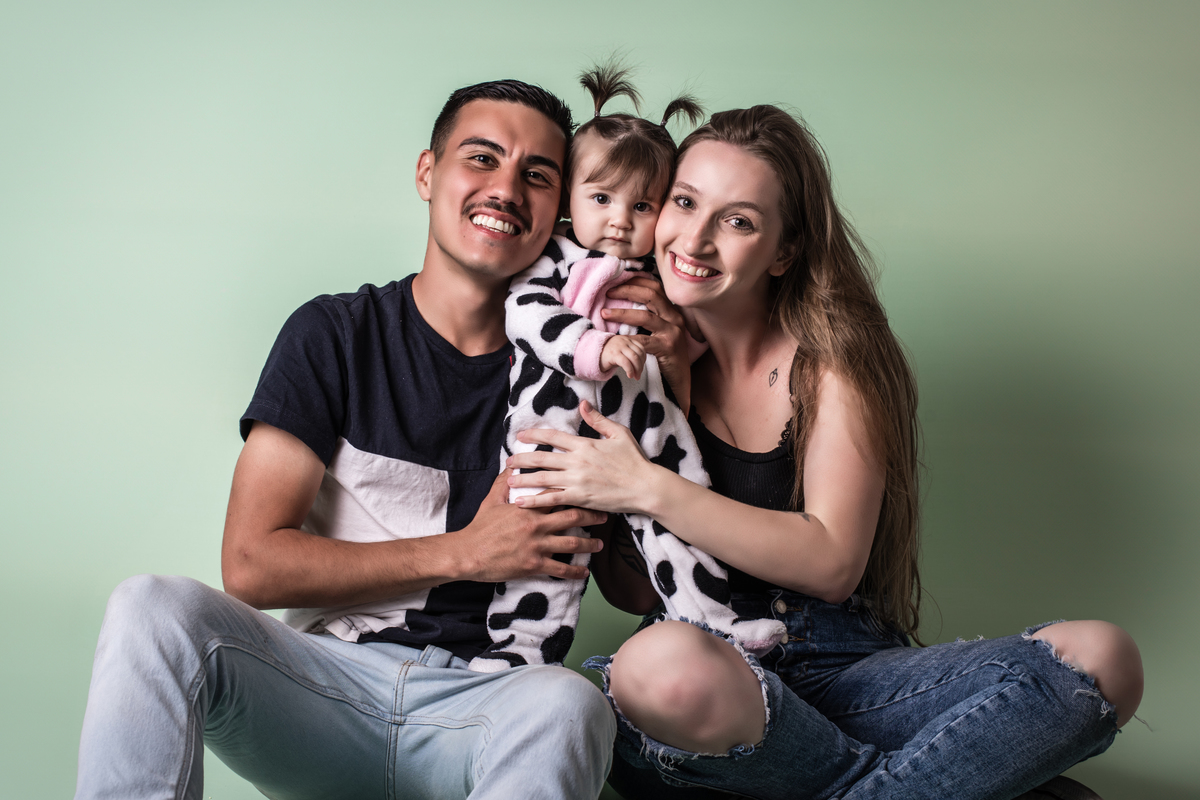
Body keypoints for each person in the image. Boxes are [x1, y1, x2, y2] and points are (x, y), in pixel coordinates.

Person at [505, 105, 1145, 799]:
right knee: (654, 665)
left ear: (783, 251)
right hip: (699, 688)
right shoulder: (617, 348)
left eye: (738, 221)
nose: (696, 238)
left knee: (1103, 658)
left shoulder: (835, 361)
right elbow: (633, 592)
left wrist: (646, 486)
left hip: (844, 672)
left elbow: (833, 564)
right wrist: (669, 396)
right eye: (684, 203)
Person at [74, 79, 623, 800]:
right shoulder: (333, 334)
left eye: (538, 175)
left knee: (573, 703)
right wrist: (467, 552)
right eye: (482, 158)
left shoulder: (587, 373)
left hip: (487, 702)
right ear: (428, 173)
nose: (506, 189)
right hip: (322, 690)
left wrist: (669, 377)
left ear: (563, 211)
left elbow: (637, 589)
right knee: (150, 606)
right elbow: (250, 565)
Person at [471, 66, 783, 674]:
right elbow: (526, 315)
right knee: (548, 546)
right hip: (556, 436)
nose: (620, 220)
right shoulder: (554, 258)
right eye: (601, 199)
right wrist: (592, 346)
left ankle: (715, 623)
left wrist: (678, 355)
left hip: (650, 431)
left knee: (682, 522)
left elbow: (690, 341)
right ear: (569, 198)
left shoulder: (661, 274)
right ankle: (520, 650)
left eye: (642, 205)